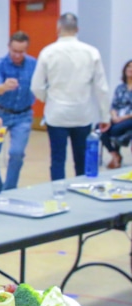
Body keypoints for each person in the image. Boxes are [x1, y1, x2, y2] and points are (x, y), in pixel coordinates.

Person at [30, 12, 110, 181]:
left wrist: (48, 99)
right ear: (77, 29)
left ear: (58, 28)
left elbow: (36, 86)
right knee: (81, 160)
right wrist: (105, 116)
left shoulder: (48, 52)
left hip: (56, 114)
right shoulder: (92, 52)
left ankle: (58, 195)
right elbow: (101, 88)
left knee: (58, 159)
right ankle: (82, 193)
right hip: (82, 114)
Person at [0, 31, 36, 194]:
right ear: (9, 48)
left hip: (23, 116)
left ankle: (10, 190)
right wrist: (4, 86)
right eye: (15, 51)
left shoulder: (34, 64)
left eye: (21, 51)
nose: (18, 55)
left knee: (16, 153)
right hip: (0, 115)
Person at [100, 59, 132, 169]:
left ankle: (117, 153)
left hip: (129, 118)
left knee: (114, 130)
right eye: (128, 66)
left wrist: (123, 117)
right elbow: (114, 105)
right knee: (100, 128)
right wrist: (114, 116)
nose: (130, 69)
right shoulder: (120, 88)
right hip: (117, 118)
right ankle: (115, 155)